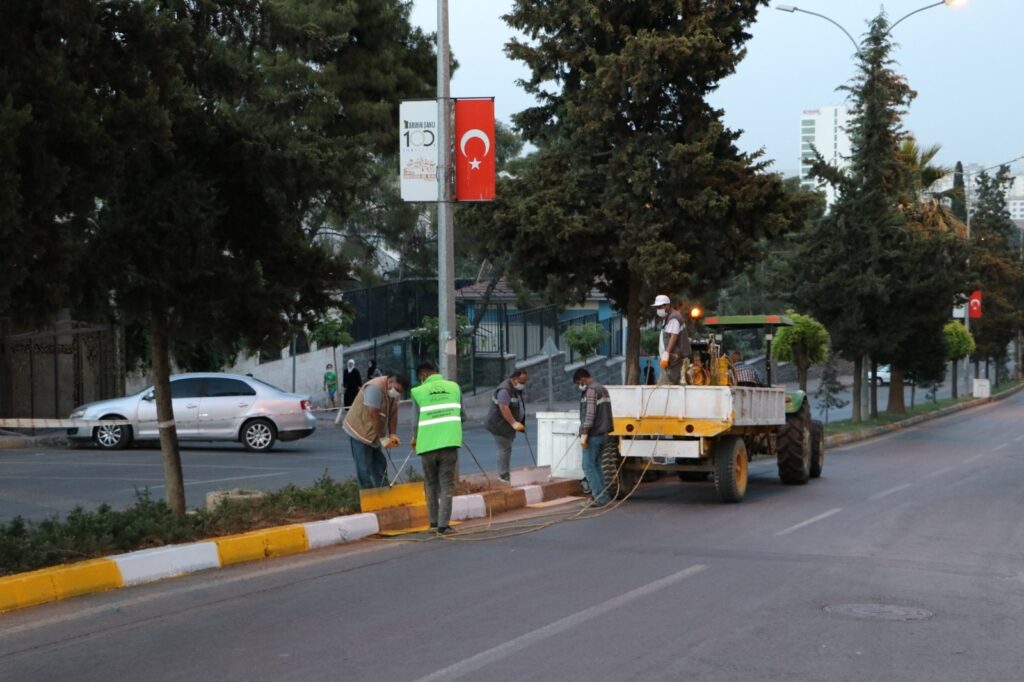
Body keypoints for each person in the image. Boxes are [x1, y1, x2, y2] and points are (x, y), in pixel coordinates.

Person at [410, 361, 463, 535]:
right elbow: (463, 416)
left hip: (427, 445)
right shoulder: (454, 387)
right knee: (447, 485)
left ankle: (433, 523)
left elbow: (415, 421)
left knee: (431, 484)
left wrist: (415, 438)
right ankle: (443, 526)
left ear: (423, 375)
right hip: (449, 444)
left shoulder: (418, 392)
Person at [342, 371, 409, 489]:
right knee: (364, 468)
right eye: (397, 390)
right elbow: (374, 415)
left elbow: (393, 414)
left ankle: (383, 493)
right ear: (390, 381)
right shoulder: (374, 388)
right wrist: (383, 437)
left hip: (374, 433)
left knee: (380, 464)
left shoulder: (392, 392)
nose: (397, 393)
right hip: (359, 431)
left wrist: (393, 434)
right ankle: (367, 497)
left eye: (400, 392)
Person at [574, 368, 614, 506]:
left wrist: (584, 433)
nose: (580, 386)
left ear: (582, 379)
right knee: (596, 466)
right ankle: (603, 495)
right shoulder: (603, 389)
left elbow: (590, 415)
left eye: (579, 383)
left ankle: (599, 498)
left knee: (588, 466)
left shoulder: (591, 391)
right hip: (604, 433)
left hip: (594, 434)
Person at [485, 369, 528, 483]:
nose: (523, 385)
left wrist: (520, 422)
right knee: (505, 448)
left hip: (506, 425)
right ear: (514, 379)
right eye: (522, 382)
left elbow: (517, 406)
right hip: (499, 425)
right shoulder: (505, 390)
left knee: (506, 448)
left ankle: (504, 473)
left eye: (525, 382)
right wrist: (514, 423)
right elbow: (503, 407)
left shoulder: (515, 389)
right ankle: (503, 475)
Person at [652, 294, 690, 385]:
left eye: (660, 307)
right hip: (671, 358)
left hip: (674, 359)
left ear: (667, 306)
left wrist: (666, 353)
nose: (658, 309)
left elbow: (674, 336)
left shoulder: (673, 318)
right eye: (657, 307)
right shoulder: (668, 317)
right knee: (667, 385)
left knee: (669, 384)